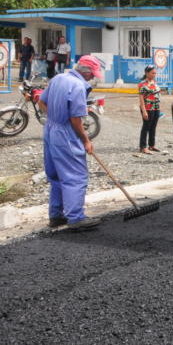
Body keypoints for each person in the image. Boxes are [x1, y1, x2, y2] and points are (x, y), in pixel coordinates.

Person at [37, 55, 103, 231]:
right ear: (85, 71)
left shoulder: (59, 77)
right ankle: (75, 217)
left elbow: (41, 102)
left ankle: (56, 216)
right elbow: (75, 119)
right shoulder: (78, 86)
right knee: (75, 176)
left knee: (56, 175)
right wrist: (86, 140)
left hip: (51, 130)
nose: (93, 77)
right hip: (65, 133)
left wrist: (55, 117)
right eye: (92, 74)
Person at [138, 65, 161, 154]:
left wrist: (159, 108)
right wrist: (144, 111)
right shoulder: (142, 84)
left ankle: (152, 145)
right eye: (152, 73)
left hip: (156, 108)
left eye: (155, 73)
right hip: (147, 108)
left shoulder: (154, 82)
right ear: (147, 73)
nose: (154, 74)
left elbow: (156, 96)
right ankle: (143, 147)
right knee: (146, 127)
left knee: (153, 127)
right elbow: (141, 99)